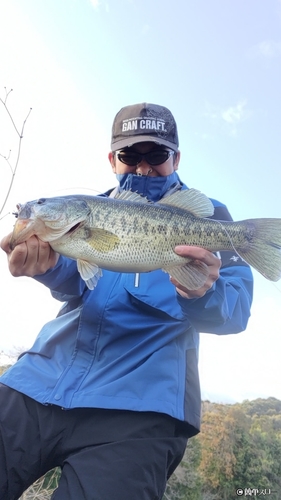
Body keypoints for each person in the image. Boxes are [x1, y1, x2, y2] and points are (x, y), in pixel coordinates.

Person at [0, 103, 253, 500]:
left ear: (177, 158)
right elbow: (78, 281)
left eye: (156, 155)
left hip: (140, 412)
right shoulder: (90, 210)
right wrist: (44, 266)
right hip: (38, 382)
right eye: (130, 155)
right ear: (112, 159)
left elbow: (235, 311)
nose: (143, 167)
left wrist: (201, 291)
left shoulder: (213, 219)